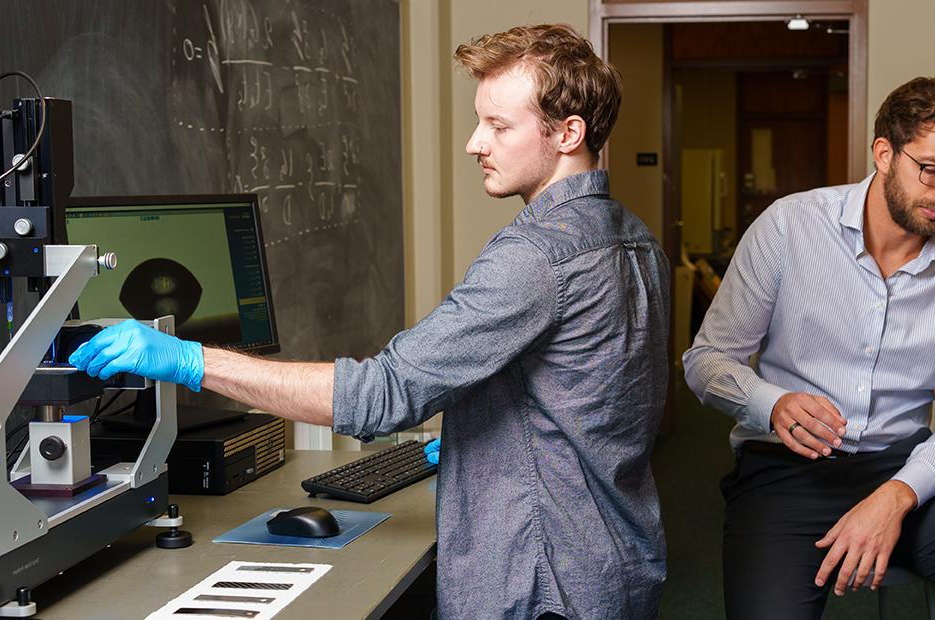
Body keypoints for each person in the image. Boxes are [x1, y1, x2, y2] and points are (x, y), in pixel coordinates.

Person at [69, 24, 670, 620]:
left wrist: (188, 359)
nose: (473, 143)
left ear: (568, 133)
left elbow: (381, 394)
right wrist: (478, 439)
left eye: (498, 125)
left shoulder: (535, 256)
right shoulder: (634, 241)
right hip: (612, 563)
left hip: (544, 584)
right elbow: (590, 402)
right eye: (478, 120)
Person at [684, 76, 935, 619]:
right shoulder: (789, 225)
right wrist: (771, 402)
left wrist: (898, 494)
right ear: (883, 153)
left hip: (904, 468)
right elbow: (706, 361)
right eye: (931, 170)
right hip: (784, 470)